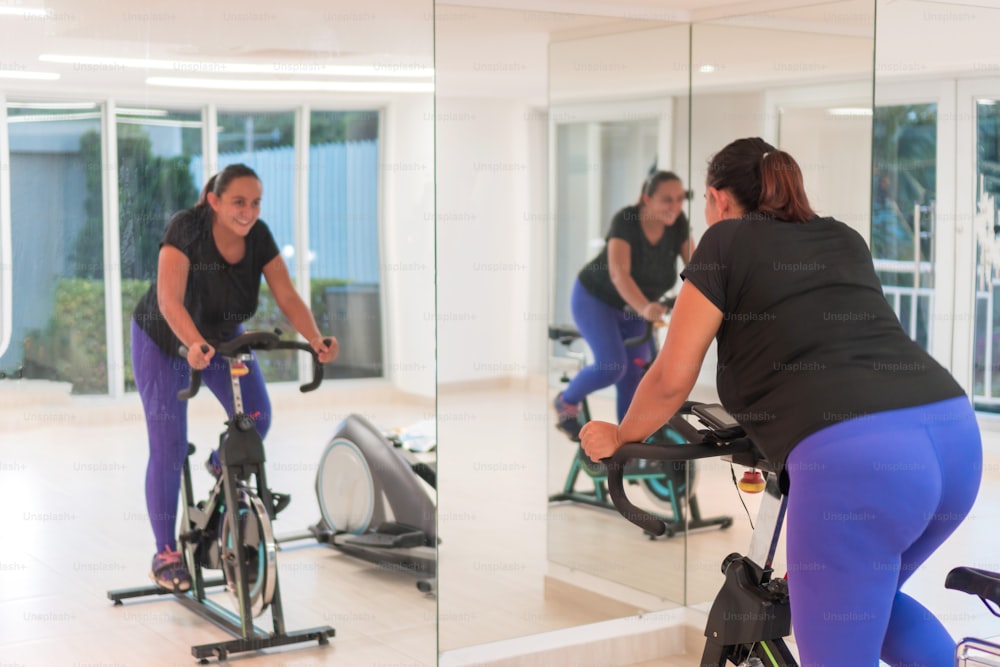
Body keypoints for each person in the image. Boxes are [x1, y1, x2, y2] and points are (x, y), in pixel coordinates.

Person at [580, 138, 982, 666]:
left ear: (719, 199)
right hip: (954, 435)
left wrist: (621, 436)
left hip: (859, 462)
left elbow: (672, 378)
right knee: (869, 604)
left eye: (704, 199)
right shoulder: (843, 237)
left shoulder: (724, 241)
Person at [131, 163, 338, 592]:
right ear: (215, 201)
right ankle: (164, 553)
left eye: (256, 202)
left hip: (223, 338)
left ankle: (217, 464)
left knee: (256, 418)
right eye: (239, 202)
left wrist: (316, 339)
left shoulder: (258, 237)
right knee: (168, 447)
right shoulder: (186, 228)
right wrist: (192, 344)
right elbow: (169, 301)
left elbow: (286, 295)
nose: (248, 212)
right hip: (165, 338)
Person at [552, 170, 693, 440]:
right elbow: (619, 274)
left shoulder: (678, 225)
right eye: (667, 199)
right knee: (613, 366)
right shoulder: (626, 221)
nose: (675, 207)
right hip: (596, 299)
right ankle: (566, 401)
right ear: (646, 199)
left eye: (680, 199)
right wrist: (645, 308)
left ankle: (627, 447)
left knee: (637, 378)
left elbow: (699, 267)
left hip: (635, 308)